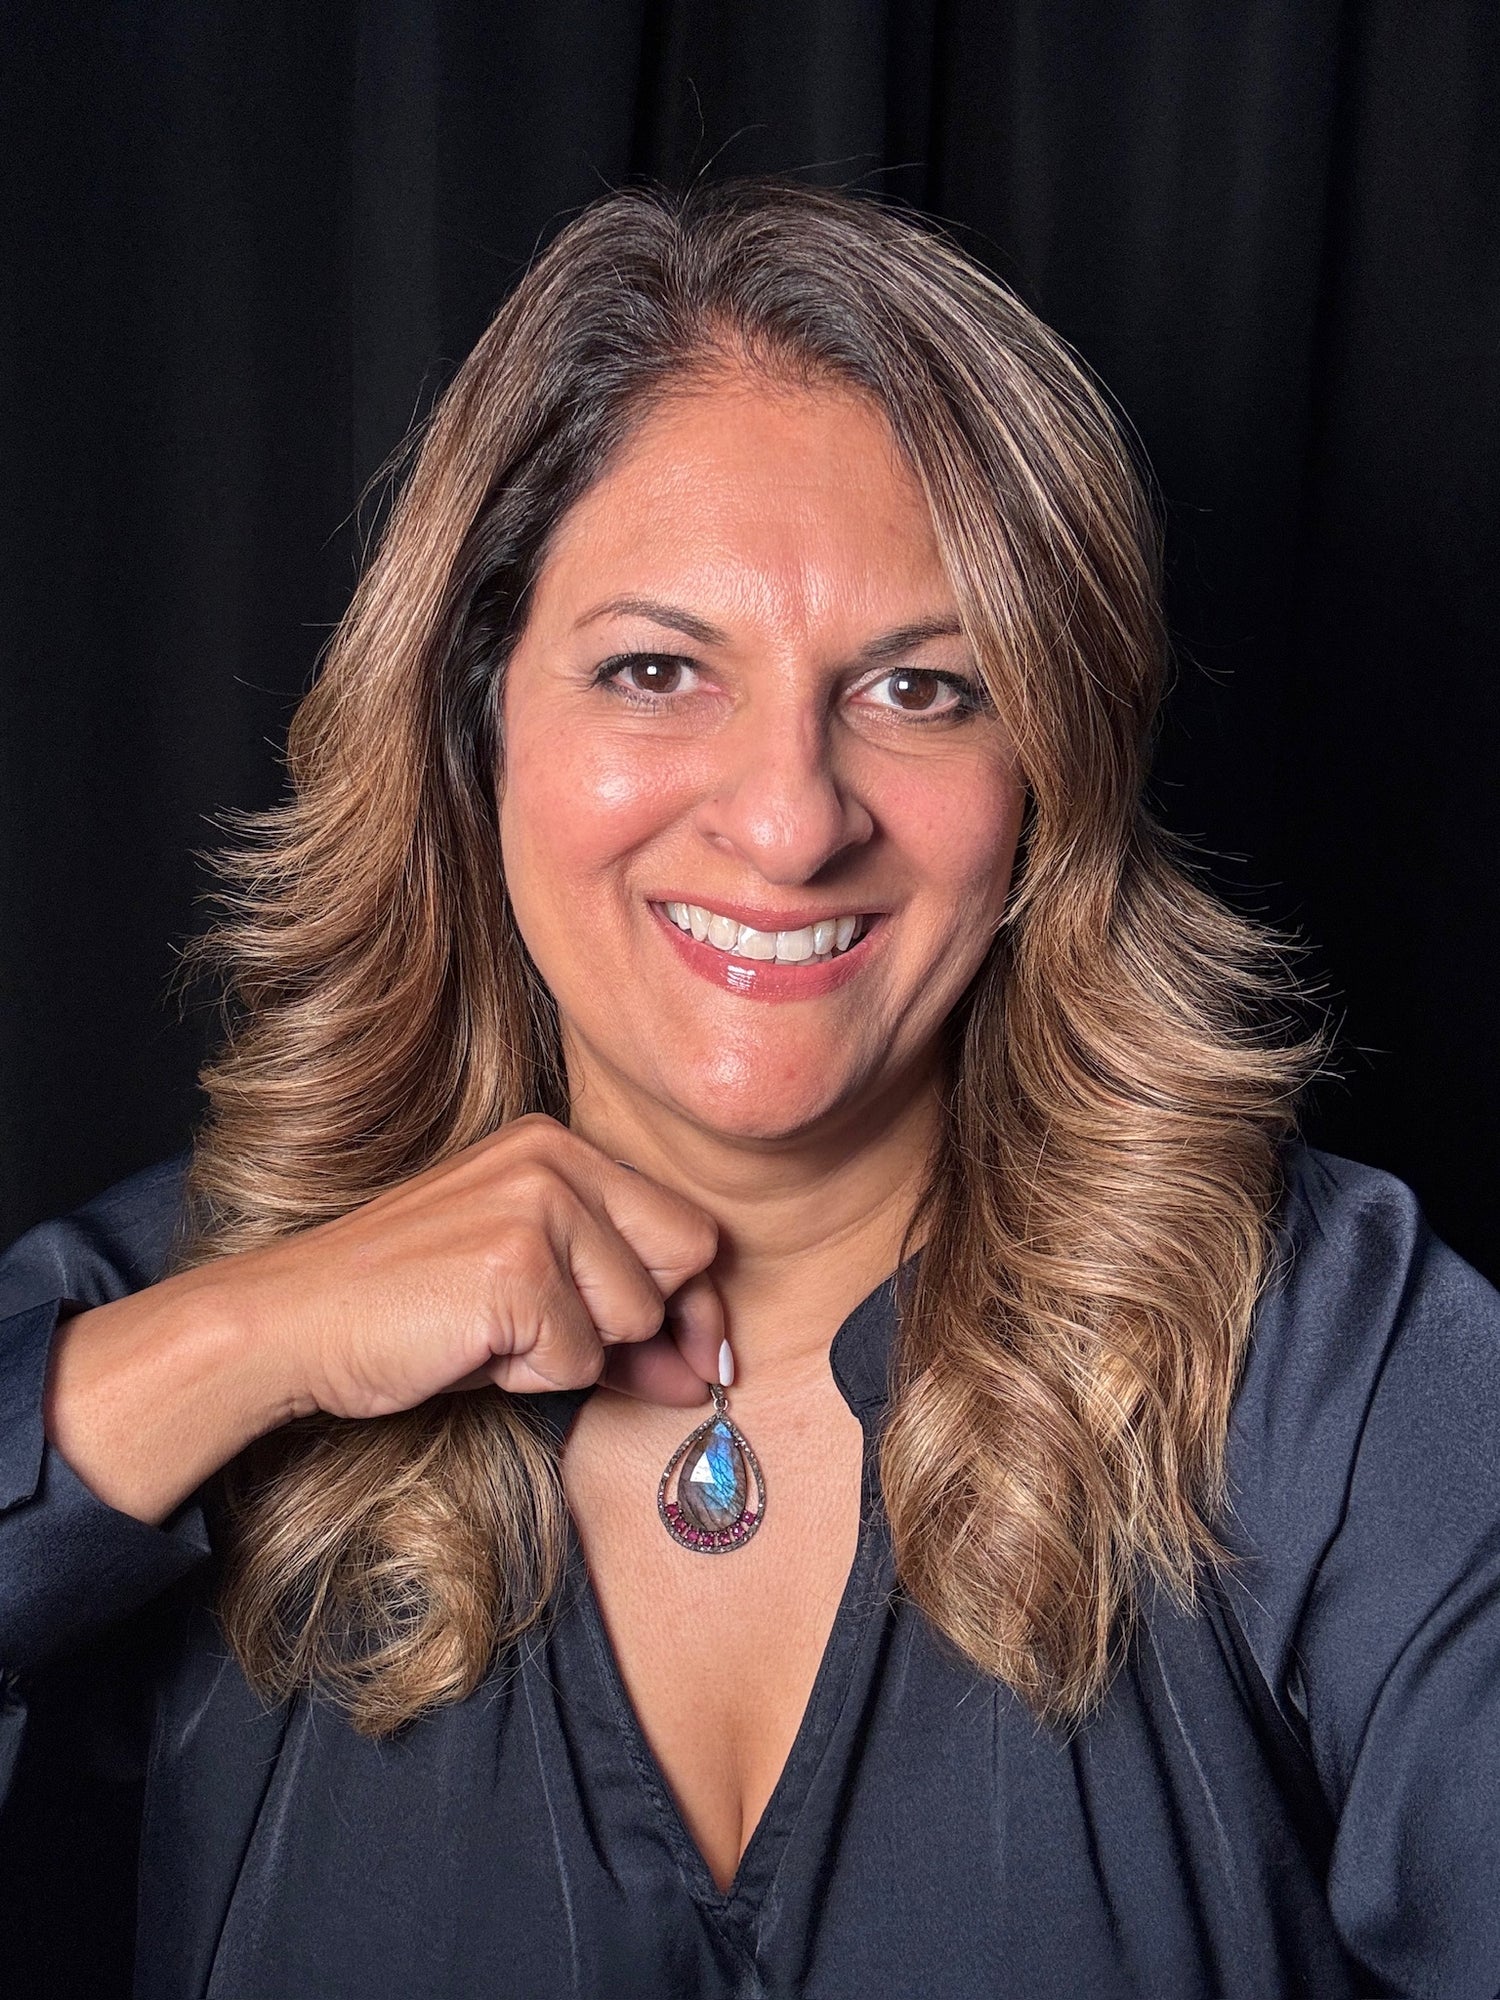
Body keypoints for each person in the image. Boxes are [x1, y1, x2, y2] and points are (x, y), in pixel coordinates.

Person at [2, 177, 1497, 2000]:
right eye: (655, 669)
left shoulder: (1337, 1363)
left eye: (926, 692)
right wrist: (238, 1350)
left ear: (1053, 775)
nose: (791, 819)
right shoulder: (162, 1324)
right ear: (473, 724)